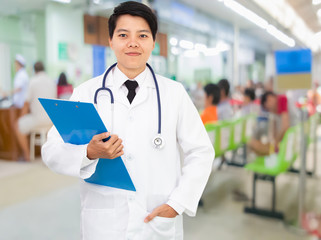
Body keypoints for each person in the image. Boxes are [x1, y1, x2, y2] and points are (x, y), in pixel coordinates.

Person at [42, 2, 214, 240]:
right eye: (123, 35)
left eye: (142, 35)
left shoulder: (174, 93)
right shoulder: (86, 93)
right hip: (104, 225)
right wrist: (88, 152)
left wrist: (177, 203)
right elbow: (51, 151)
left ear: (154, 42)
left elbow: (201, 152)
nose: (133, 43)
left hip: (156, 220)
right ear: (111, 41)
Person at [15, 61, 56, 161]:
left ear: (34, 70)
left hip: (38, 119)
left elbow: (26, 103)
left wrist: (20, 117)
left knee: (17, 125)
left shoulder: (33, 81)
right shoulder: (51, 81)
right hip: (52, 120)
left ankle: (27, 155)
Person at [248, 91, 290, 156]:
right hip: (286, 142)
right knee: (252, 143)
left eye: (268, 107)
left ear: (270, 98)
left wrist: (276, 142)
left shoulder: (282, 99)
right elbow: (275, 129)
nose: (270, 109)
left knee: (252, 143)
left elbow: (285, 126)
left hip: (289, 142)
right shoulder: (276, 110)